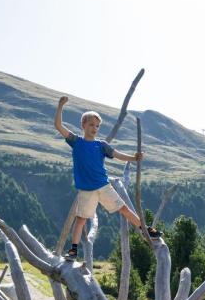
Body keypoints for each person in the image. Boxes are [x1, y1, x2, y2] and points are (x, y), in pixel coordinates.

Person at [54, 96, 157, 260]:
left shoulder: (101, 145)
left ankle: (146, 230)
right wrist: (60, 106)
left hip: (103, 185)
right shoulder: (76, 141)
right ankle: (73, 250)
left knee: (123, 208)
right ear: (83, 125)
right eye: (91, 125)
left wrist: (133, 158)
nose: (94, 128)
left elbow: (117, 155)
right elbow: (58, 126)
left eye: (97, 126)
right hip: (86, 189)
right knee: (80, 219)